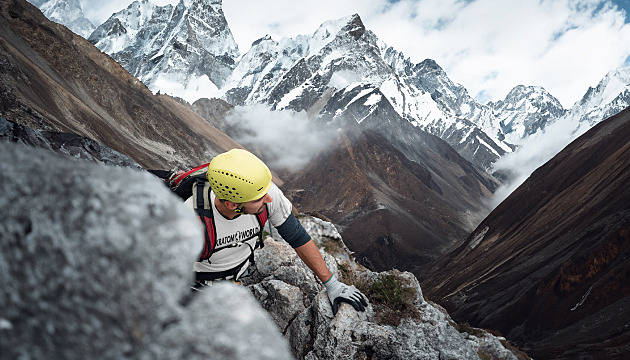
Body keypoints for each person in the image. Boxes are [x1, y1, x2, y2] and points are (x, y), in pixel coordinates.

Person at [185, 148, 367, 315]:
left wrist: (332, 284)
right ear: (232, 204)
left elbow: (297, 236)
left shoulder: (263, 193)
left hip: (239, 275)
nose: (269, 198)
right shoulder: (189, 221)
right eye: (259, 199)